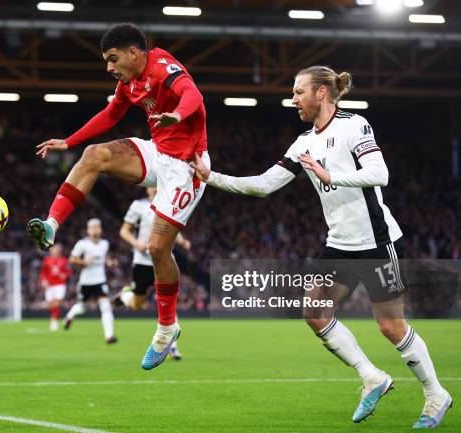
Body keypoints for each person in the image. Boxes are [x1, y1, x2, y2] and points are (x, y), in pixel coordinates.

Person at [190, 65, 452, 429]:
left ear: (321, 93)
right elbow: (264, 185)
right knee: (314, 313)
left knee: (391, 326)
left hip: (377, 241)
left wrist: (332, 176)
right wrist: (211, 177)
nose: (292, 98)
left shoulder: (354, 126)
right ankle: (372, 376)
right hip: (339, 244)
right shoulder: (303, 143)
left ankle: (436, 394)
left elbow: (380, 174)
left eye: (298, 91)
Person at [27, 23, 209, 369]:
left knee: (157, 249)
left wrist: (177, 115)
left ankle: (167, 328)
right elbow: (111, 114)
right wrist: (70, 141)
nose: (109, 67)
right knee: (94, 155)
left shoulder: (161, 66)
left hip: (188, 166)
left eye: (113, 59)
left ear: (133, 53)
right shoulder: (129, 82)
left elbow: (193, 96)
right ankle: (51, 225)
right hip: (158, 152)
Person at [117, 186, 191, 360]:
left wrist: (182, 242)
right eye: (152, 184)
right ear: (147, 188)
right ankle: (124, 296)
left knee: (169, 302)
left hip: (164, 260)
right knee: (137, 304)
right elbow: (124, 231)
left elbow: (172, 229)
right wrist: (136, 244)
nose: (155, 187)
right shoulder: (138, 206)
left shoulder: (169, 204)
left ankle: (173, 348)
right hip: (142, 261)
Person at [64, 219, 116, 344]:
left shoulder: (105, 244)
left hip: (100, 281)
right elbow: (71, 259)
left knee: (106, 306)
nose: (95, 229)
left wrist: (109, 262)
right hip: (85, 282)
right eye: (92, 227)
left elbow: (105, 257)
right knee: (83, 306)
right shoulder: (82, 244)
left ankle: (109, 336)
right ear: (88, 230)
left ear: (101, 229)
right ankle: (70, 316)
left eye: (97, 227)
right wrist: (84, 262)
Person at [40, 244, 72, 331]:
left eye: (57, 250)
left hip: (60, 285)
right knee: (51, 305)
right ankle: (55, 318)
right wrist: (44, 281)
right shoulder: (47, 260)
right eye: (54, 250)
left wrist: (65, 275)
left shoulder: (64, 260)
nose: (55, 251)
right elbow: (43, 272)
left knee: (57, 303)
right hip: (50, 285)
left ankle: (54, 321)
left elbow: (69, 272)